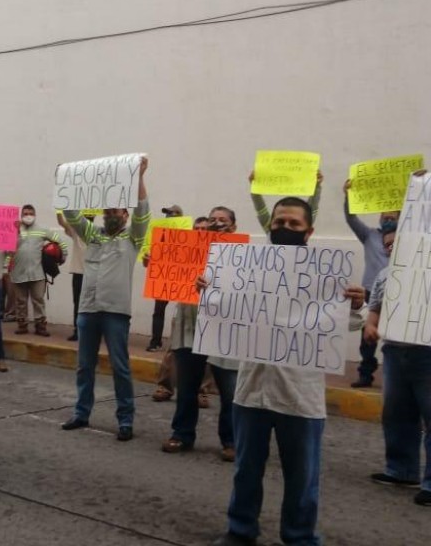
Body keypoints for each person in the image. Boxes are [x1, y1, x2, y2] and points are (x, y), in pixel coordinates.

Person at [211, 197, 366, 546]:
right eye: (279, 222)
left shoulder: (326, 274)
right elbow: (223, 311)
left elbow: (349, 323)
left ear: (308, 231)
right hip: (251, 391)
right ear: (270, 226)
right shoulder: (245, 270)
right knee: (246, 470)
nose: (285, 228)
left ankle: (299, 538)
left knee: (302, 476)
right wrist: (210, 294)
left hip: (300, 397)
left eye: (294, 224)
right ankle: (240, 530)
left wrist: (355, 304)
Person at [61, 157, 150, 441]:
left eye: (117, 210)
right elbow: (72, 215)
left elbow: (144, 212)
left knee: (120, 367)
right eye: (108, 210)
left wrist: (139, 178)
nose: (111, 213)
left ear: (125, 215)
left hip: (115, 312)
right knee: (84, 365)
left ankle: (125, 420)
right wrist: (65, 182)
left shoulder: (132, 239)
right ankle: (81, 412)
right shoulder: (92, 235)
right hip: (88, 309)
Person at [161, 207, 240, 462]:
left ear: (234, 227)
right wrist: (158, 262)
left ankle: (231, 440)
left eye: (223, 220)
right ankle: (182, 434)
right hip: (189, 330)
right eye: (212, 220)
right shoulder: (186, 252)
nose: (217, 224)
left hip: (223, 334)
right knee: (186, 389)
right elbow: (166, 277)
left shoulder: (244, 256)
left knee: (230, 393)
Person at [365, 223, 431, 506]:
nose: (391, 247)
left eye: (397, 243)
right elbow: (376, 307)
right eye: (388, 244)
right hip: (394, 351)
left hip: (427, 353)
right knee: (397, 414)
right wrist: (370, 325)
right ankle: (401, 470)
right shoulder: (384, 274)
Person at [343, 179, 398, 388]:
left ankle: (397, 376)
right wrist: (348, 196)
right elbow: (350, 218)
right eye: (384, 217)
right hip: (370, 293)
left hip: (397, 293)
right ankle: (365, 374)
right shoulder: (369, 235)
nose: (387, 220)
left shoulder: (406, 238)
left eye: (392, 217)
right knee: (367, 339)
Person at [149, 215, 209, 403]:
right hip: (185, 308)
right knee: (173, 349)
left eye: (204, 229)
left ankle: (201, 391)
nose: (200, 232)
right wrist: (153, 259)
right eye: (196, 228)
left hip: (208, 310)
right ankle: (164, 385)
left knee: (206, 352)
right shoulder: (183, 250)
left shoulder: (218, 254)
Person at [11, 205, 68, 337]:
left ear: (35, 215)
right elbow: (6, 248)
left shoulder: (42, 229)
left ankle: (40, 326)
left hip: (37, 273)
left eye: (31, 213)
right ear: (21, 215)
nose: (28, 215)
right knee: (20, 301)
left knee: (38, 300)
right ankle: (22, 325)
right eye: (25, 213)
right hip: (18, 272)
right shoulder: (14, 230)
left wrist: (63, 255)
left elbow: (60, 240)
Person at [146, 204, 184, 352]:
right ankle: (155, 341)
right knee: (159, 310)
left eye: (171, 214)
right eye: (167, 214)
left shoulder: (187, 234)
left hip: (180, 277)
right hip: (164, 276)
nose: (168, 217)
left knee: (182, 312)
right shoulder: (160, 234)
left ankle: (180, 344)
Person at [57, 210, 95, 341]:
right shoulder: (76, 232)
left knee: (92, 305)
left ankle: (91, 331)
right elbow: (61, 222)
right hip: (78, 274)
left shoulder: (99, 235)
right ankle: (77, 330)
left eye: (90, 217)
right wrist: (59, 210)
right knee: (78, 304)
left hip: (92, 276)